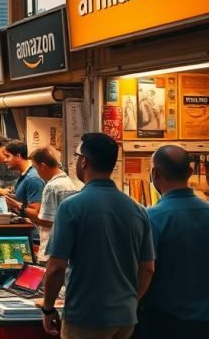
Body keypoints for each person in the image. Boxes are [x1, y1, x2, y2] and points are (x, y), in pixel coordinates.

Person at [42, 133, 155, 339]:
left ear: (84, 161)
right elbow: (147, 267)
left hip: (86, 316)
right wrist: (130, 301)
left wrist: (48, 308)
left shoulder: (72, 207)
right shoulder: (137, 210)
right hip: (125, 318)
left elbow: (56, 267)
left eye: (77, 156)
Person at [135, 145, 209, 338]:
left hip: (163, 321)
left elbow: (145, 268)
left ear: (154, 174)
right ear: (191, 172)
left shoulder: (151, 218)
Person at [0, 140, 44, 249]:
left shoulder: (32, 178)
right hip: (25, 233)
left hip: (32, 236)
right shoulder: (24, 176)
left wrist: (16, 205)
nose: (5, 160)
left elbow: (36, 212)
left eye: (8, 156)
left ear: (18, 156)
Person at [29, 146, 79, 263]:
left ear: (43, 166)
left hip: (51, 249)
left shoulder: (52, 187)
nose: (37, 173)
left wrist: (25, 211)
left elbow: (47, 221)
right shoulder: (71, 183)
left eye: (36, 168)